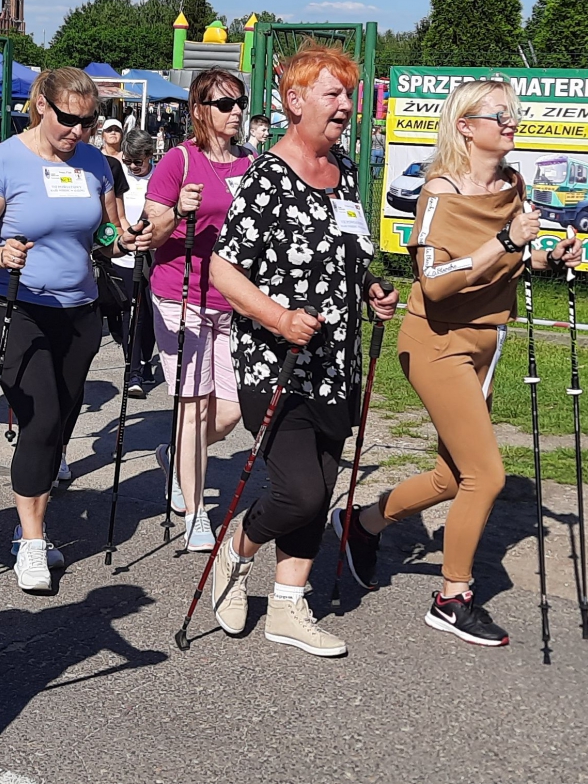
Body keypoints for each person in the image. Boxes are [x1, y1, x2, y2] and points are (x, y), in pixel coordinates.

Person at [332, 80, 583, 647]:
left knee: (453, 475)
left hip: (485, 342)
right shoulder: (439, 193)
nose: (511, 123)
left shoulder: (511, 185)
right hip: (436, 341)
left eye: (514, 115)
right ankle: (452, 596)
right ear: (466, 125)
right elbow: (436, 283)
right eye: (500, 115)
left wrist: (544, 255)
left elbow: (512, 261)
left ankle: (362, 523)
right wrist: (505, 239)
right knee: (486, 475)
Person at [207, 42, 398, 657]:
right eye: (332, 94)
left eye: (349, 94)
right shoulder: (267, 178)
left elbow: (352, 253)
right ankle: (235, 554)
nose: (346, 105)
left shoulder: (344, 172)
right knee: (300, 492)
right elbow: (223, 272)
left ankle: (289, 606)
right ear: (293, 101)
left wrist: (370, 289)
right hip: (277, 361)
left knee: (321, 480)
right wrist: (279, 317)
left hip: (335, 362)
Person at [0, 67, 152, 593]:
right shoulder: (3, 159)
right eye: (68, 119)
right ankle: (31, 540)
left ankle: (35, 510)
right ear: (41, 105)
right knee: (41, 418)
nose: (78, 132)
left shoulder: (95, 162)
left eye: (89, 122)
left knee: (63, 417)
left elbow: (105, 232)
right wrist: (0, 253)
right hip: (16, 301)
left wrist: (126, 238)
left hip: (79, 307)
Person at [143, 69, 254, 552]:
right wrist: (178, 213)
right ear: (199, 109)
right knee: (193, 404)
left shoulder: (251, 163)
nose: (235, 113)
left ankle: (177, 454)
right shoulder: (178, 161)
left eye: (239, 104)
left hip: (232, 302)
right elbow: (151, 236)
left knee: (229, 412)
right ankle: (195, 511)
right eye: (224, 104)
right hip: (179, 297)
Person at [105, 129, 158, 399]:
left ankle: (146, 359)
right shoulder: (118, 176)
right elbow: (117, 215)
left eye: (138, 161)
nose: (133, 166)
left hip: (155, 254)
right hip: (127, 253)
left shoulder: (160, 175)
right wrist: (128, 236)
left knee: (149, 315)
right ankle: (133, 370)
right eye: (128, 161)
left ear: (149, 155)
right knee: (132, 313)